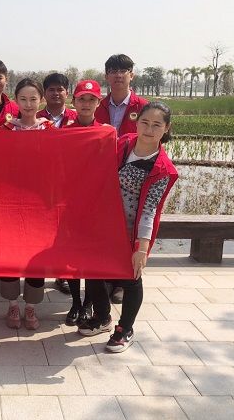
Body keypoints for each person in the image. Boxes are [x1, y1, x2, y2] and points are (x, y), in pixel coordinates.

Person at [78, 102, 178, 352]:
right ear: (136, 122)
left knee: (131, 278)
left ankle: (125, 328)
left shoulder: (161, 169)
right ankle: (102, 317)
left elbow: (150, 210)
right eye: (145, 122)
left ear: (166, 129)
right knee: (93, 271)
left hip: (128, 232)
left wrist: (141, 248)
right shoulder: (123, 143)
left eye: (156, 125)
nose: (149, 129)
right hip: (101, 225)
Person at [94, 54, 148, 304]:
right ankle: (106, 275)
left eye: (123, 70)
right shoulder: (98, 106)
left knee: (128, 227)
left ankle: (123, 281)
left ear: (131, 75)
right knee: (104, 226)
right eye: (113, 71)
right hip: (101, 176)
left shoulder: (143, 107)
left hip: (132, 176)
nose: (118, 75)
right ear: (106, 76)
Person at [0, 78, 50, 330]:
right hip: (10, 203)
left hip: (40, 205)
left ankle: (30, 306)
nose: (28, 104)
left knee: (36, 256)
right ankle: (12, 305)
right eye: (23, 99)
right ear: (15, 100)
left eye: (33, 99)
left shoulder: (51, 130)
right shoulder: (5, 130)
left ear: (41, 100)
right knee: (9, 253)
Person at [62, 79, 104, 326]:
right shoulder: (64, 132)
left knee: (90, 257)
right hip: (69, 205)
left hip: (95, 205)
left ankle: (88, 304)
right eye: (81, 99)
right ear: (74, 102)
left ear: (98, 103)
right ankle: (75, 303)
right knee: (72, 255)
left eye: (91, 100)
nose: (86, 104)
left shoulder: (106, 132)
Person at [38, 73, 78, 295]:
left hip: (70, 183)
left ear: (67, 93)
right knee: (41, 227)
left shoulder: (77, 117)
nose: (55, 93)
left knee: (65, 230)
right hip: (41, 183)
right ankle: (38, 269)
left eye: (60, 89)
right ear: (44, 93)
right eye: (51, 89)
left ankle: (63, 274)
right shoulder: (35, 118)